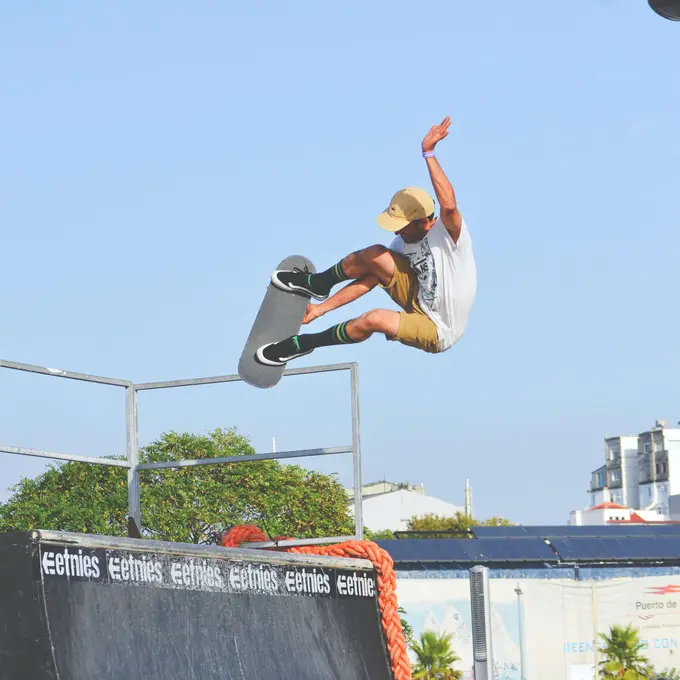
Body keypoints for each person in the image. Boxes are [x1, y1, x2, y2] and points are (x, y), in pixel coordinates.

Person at [256, 116, 477, 367]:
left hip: (438, 328)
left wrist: (428, 153)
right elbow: (366, 283)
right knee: (375, 255)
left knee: (373, 320)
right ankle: (319, 284)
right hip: (415, 294)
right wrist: (322, 309)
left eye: (402, 228)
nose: (396, 234)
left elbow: (449, 206)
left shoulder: (450, 236)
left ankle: (304, 344)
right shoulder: (400, 246)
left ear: (423, 222)